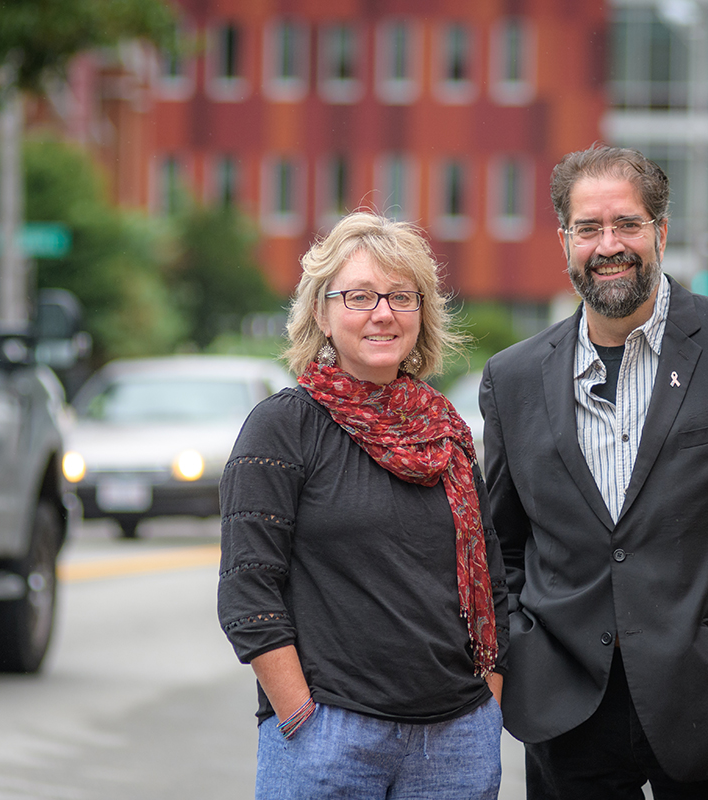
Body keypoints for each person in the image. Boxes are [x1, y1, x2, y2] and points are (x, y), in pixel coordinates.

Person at [478, 145, 708, 799]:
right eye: (589, 228)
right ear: (564, 240)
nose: (609, 244)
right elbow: (500, 546)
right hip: (568, 720)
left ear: (661, 232)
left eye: (627, 224)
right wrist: (521, 655)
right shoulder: (511, 378)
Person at [218, 211, 508, 800]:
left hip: (456, 740)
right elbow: (248, 589)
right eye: (358, 296)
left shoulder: (446, 434)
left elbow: (492, 581)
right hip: (329, 736)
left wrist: (488, 703)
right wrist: (299, 715)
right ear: (322, 314)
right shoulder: (282, 429)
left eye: (401, 296)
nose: (383, 312)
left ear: (421, 314)